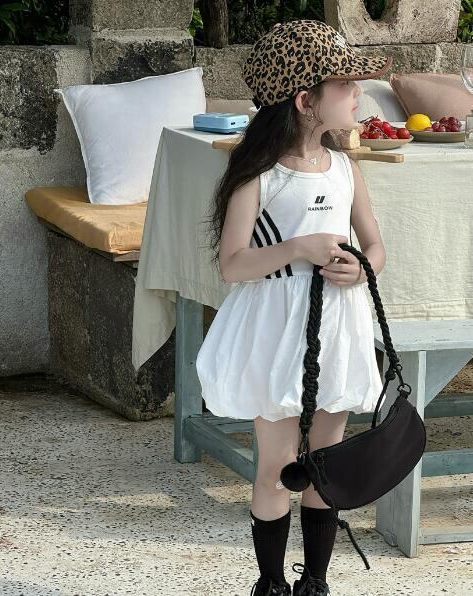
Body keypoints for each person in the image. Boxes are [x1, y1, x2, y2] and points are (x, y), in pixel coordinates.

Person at [195, 19, 393, 596]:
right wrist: (298, 248)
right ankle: (271, 582)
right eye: (346, 85)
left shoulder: (346, 168)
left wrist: (362, 267)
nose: (358, 94)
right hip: (277, 328)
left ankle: (317, 582)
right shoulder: (259, 176)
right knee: (278, 464)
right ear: (306, 101)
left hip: (336, 324)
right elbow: (233, 264)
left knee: (325, 462)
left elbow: (375, 245)